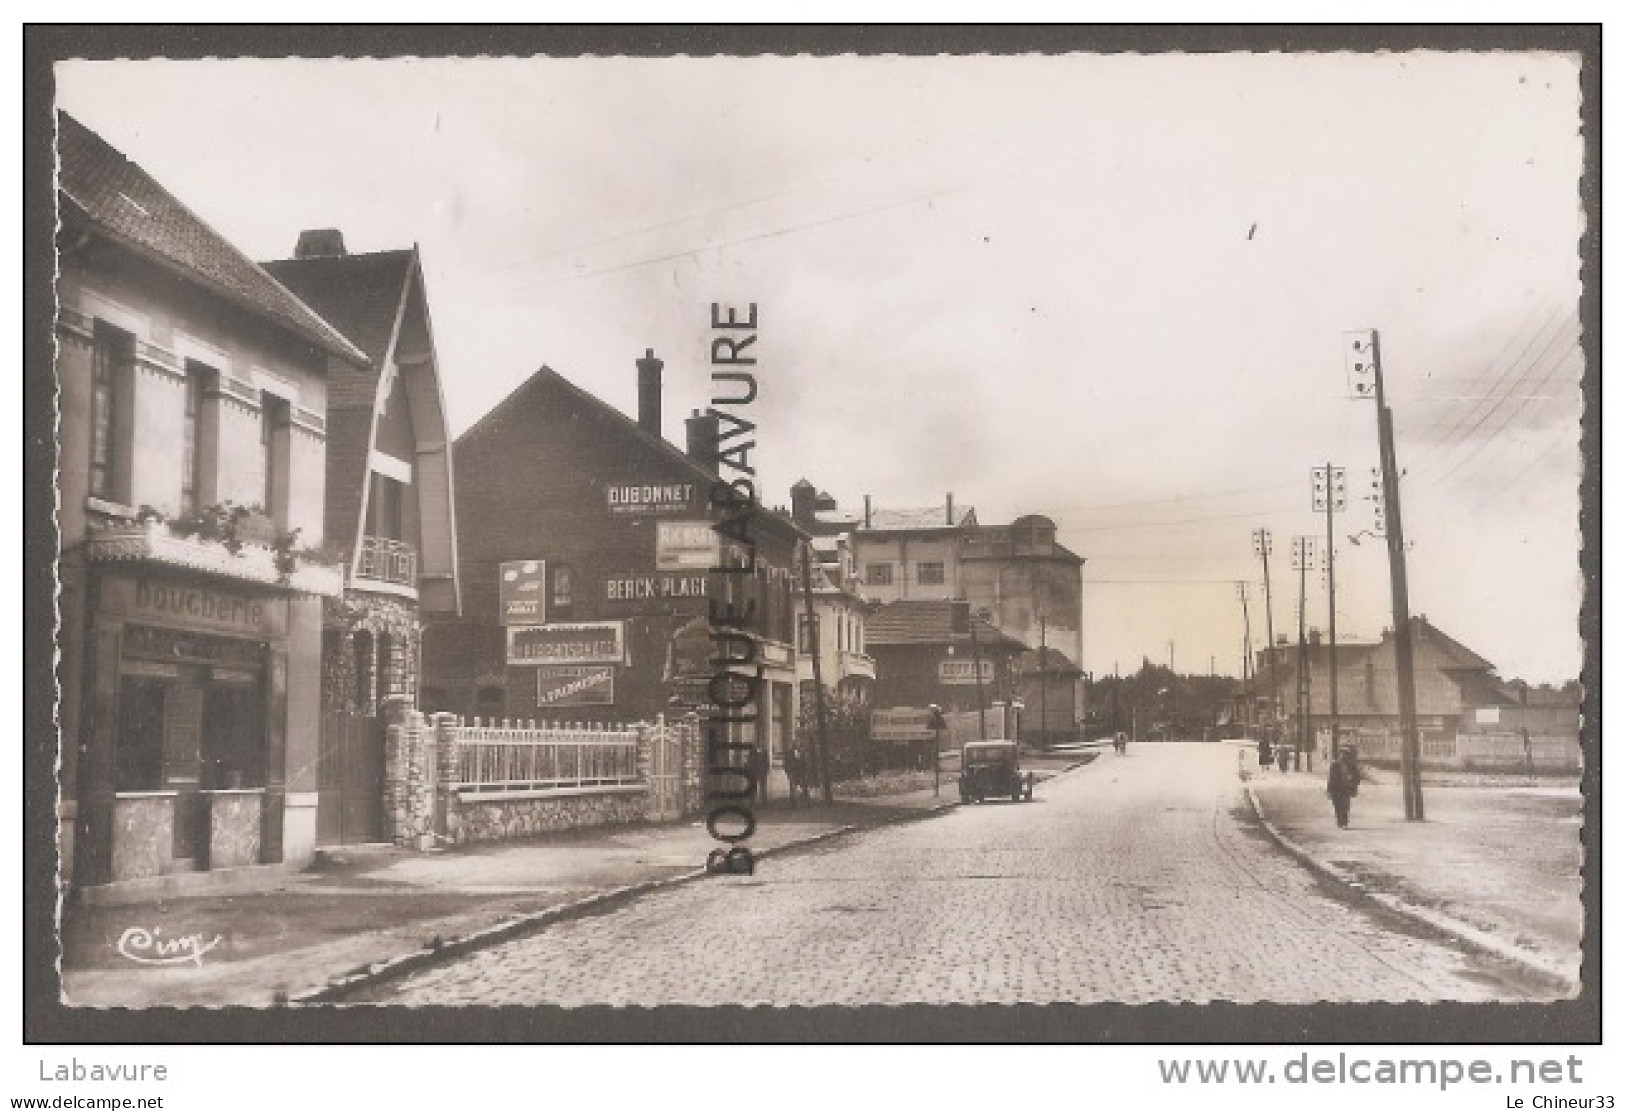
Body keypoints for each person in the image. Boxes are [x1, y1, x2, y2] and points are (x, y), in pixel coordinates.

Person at [1326, 746, 1361, 828]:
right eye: (1341, 754)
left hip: (1346, 788)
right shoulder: (1335, 765)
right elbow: (1331, 779)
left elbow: (1358, 777)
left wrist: (1353, 782)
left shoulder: (1351, 766)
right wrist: (1329, 790)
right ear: (1339, 755)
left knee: (1345, 806)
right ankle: (1339, 821)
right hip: (1336, 789)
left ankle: (1344, 823)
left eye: (1345, 754)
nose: (1343, 756)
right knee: (1337, 805)